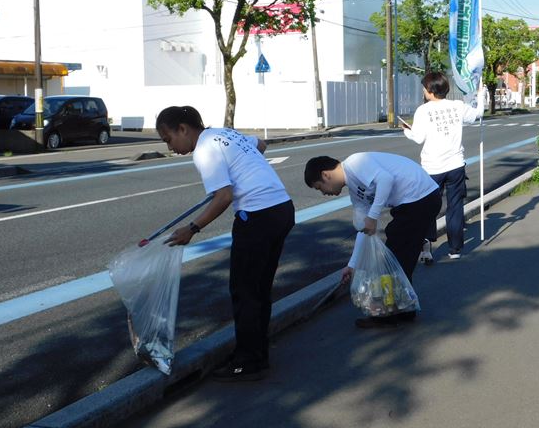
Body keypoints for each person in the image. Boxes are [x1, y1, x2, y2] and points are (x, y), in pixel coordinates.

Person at [156, 106, 294, 381]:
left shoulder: (205, 150)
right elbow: (261, 144)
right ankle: (255, 353)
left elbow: (223, 196)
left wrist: (192, 229)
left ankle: (247, 361)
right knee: (258, 288)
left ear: (183, 128)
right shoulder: (223, 134)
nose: (170, 147)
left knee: (244, 291)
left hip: (257, 217)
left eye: (168, 139)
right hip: (281, 209)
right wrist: (245, 170)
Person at [304, 152, 441, 328]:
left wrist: (373, 215)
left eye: (319, 187)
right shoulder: (355, 191)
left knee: (392, 258)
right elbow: (364, 230)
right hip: (414, 203)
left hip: (420, 198)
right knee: (399, 258)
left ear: (325, 175)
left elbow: (385, 179)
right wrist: (352, 264)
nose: (323, 193)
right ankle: (405, 310)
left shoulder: (355, 163)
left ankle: (388, 315)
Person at [401, 72, 482, 261]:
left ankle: (427, 248)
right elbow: (476, 114)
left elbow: (419, 137)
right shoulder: (457, 106)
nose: (423, 91)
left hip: (432, 168)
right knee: (455, 206)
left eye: (424, 88)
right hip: (455, 165)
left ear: (430, 90)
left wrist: (407, 131)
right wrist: (479, 95)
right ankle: (455, 249)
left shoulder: (423, 111)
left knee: (428, 207)